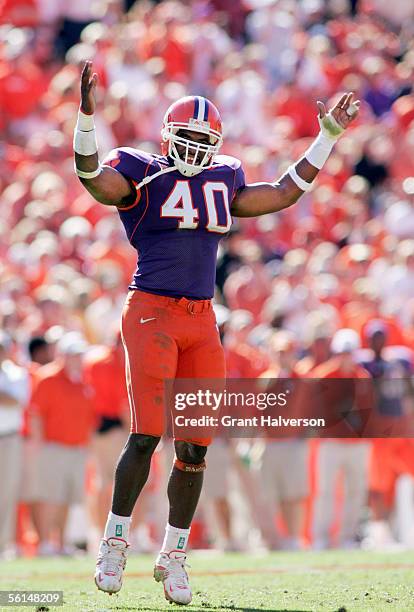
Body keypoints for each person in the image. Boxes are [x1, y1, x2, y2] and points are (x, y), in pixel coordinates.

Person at [75, 60, 359, 604]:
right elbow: (92, 177)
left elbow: (280, 193)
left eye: (203, 139)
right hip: (152, 310)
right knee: (147, 433)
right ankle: (114, 542)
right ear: (166, 136)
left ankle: (175, 555)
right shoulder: (140, 168)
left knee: (196, 445)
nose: (195, 148)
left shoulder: (223, 175)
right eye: (186, 137)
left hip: (203, 318)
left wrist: (325, 139)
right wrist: (86, 117)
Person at [30, 331, 95, 555]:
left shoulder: (84, 380)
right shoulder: (48, 377)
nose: (77, 359)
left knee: (68, 497)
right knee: (50, 497)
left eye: (80, 355)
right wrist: (39, 445)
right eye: (73, 355)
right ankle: (45, 543)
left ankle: (61, 543)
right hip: (53, 447)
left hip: (77, 448)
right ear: (64, 356)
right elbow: (36, 413)